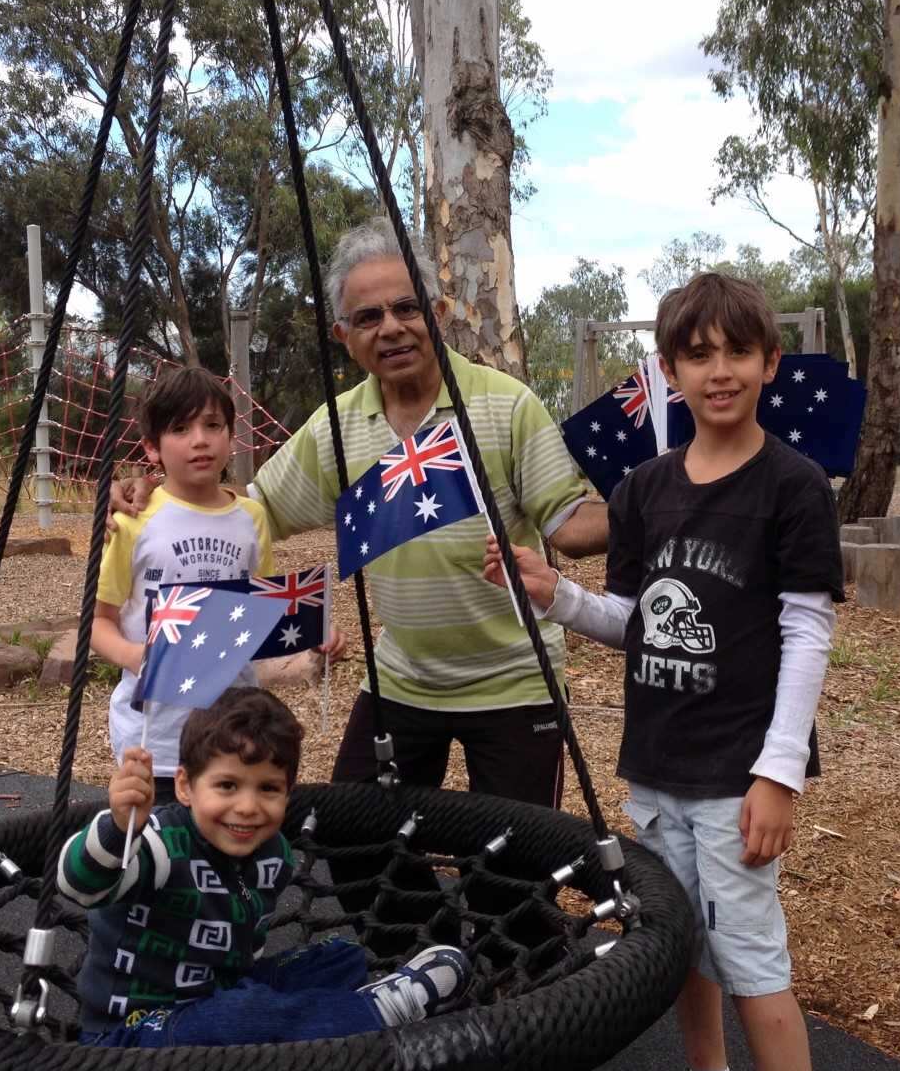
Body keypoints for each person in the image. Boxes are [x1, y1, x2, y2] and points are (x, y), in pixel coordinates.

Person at [483, 273, 845, 1071]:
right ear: (670, 371)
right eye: (698, 354)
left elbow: (807, 633)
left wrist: (779, 772)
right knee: (683, 943)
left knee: (753, 962)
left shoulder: (793, 486)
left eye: (737, 352)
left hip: (737, 774)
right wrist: (557, 595)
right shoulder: (642, 490)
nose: (719, 371)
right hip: (657, 767)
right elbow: (635, 619)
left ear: (770, 363)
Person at [112, 217, 607, 810]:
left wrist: (662, 499)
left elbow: (570, 526)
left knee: (519, 855)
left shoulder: (506, 405)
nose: (391, 327)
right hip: (401, 678)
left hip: (515, 681)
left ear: (439, 312)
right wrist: (152, 492)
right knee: (352, 840)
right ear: (343, 335)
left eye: (407, 308)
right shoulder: (338, 426)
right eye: (368, 317)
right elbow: (246, 507)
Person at [58, 686, 471, 1045]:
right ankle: (370, 1014)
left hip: (218, 995)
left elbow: (244, 952)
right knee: (240, 1014)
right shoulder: (159, 843)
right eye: (227, 785)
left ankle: (322, 1015)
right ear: (185, 786)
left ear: (287, 794)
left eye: (268, 788)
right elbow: (79, 884)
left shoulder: (274, 855)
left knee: (339, 958)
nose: (247, 807)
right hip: (134, 1030)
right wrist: (119, 828)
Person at [93, 364, 344, 803]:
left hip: (235, 726)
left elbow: (262, 610)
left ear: (231, 435)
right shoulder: (132, 521)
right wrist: (136, 656)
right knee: (160, 835)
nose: (200, 440)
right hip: (156, 733)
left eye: (213, 425)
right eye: (180, 428)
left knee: (232, 829)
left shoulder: (251, 517)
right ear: (152, 448)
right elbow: (97, 622)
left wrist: (312, 633)